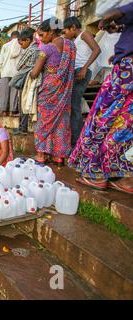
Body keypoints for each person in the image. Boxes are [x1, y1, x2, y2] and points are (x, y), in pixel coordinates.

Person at [69, 3, 133, 194]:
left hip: (127, 70)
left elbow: (112, 12)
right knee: (127, 123)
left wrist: (105, 21)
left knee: (105, 117)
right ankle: (127, 179)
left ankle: (97, 173)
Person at [30, 18, 76, 166]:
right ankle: (59, 156)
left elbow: (35, 72)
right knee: (62, 123)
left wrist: (30, 74)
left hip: (48, 90)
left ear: (51, 31)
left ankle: (42, 154)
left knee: (44, 121)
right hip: (65, 90)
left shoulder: (47, 49)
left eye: (42, 35)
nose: (42, 39)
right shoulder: (71, 46)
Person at [62, 16, 101, 147]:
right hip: (77, 72)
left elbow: (97, 49)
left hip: (82, 72)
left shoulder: (84, 34)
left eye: (65, 31)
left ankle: (76, 141)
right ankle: (75, 139)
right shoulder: (76, 40)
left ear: (73, 27)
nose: (65, 34)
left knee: (75, 106)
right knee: (73, 106)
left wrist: (85, 67)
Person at [11, 28, 40, 135]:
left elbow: (18, 66)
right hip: (34, 79)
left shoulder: (29, 50)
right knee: (29, 103)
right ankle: (23, 127)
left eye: (21, 42)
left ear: (27, 40)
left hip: (25, 79)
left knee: (22, 103)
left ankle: (22, 128)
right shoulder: (38, 49)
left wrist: (25, 65)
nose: (20, 45)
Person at [0, 31, 22, 116]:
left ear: (11, 37)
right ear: (18, 37)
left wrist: (0, 71)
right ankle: (12, 111)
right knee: (14, 92)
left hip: (5, 71)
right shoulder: (21, 46)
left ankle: (3, 111)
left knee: (4, 92)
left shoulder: (5, 46)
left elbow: (1, 61)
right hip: (16, 72)